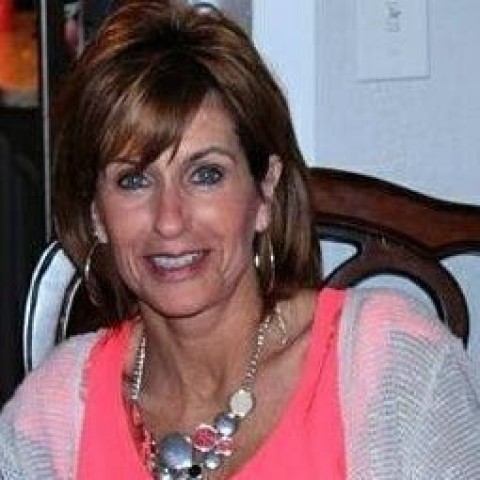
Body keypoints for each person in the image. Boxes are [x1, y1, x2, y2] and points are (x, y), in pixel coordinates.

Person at [1, 1, 479, 479]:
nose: (169, 221)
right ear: (96, 214)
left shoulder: (393, 368)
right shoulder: (49, 418)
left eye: (206, 174)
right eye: (134, 180)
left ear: (265, 190)